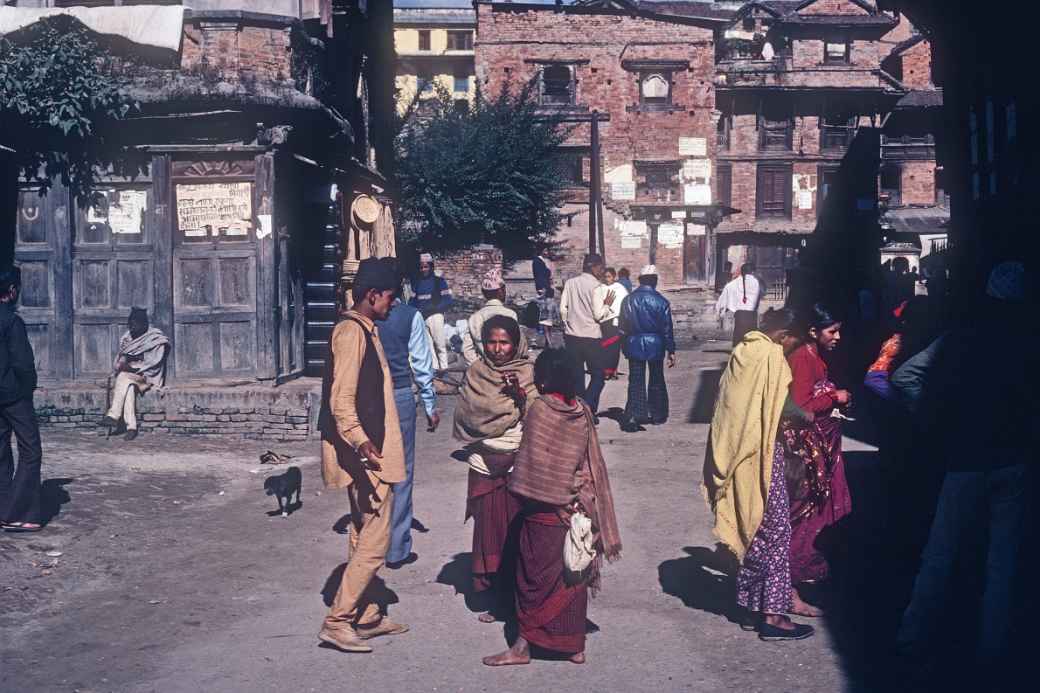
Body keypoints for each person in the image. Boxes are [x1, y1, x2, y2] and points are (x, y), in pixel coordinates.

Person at [892, 262, 1033, 690]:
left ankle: (912, 635)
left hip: (965, 458)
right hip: (1012, 459)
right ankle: (992, 650)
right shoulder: (1030, 345)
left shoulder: (960, 340)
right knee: (1002, 561)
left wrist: (934, 421)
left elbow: (903, 377)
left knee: (941, 552)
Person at [483, 348, 622, 667]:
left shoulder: (542, 411)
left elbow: (534, 464)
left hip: (545, 511)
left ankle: (522, 647)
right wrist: (573, 501)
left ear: (544, 378)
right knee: (572, 575)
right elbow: (586, 462)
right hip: (578, 507)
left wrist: (556, 502)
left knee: (533, 577)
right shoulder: (582, 409)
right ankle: (574, 646)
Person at [704, 308, 817, 640]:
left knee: (755, 529)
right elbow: (782, 406)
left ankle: (753, 607)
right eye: (792, 344)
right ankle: (774, 617)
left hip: (737, 452)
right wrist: (805, 415)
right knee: (777, 532)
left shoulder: (744, 349)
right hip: (762, 454)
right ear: (783, 336)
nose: (791, 350)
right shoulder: (770, 354)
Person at [318, 258, 409, 653]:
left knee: (361, 532)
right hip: (366, 454)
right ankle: (337, 621)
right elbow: (342, 401)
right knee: (376, 538)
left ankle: (367, 614)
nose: (392, 304)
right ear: (373, 296)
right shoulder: (351, 333)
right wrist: (360, 441)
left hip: (371, 447)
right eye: (389, 297)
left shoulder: (364, 329)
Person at [453, 315, 537, 622]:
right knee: (489, 531)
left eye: (504, 342)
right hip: (483, 464)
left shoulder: (527, 372)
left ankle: (516, 601)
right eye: (492, 342)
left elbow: (538, 417)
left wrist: (520, 397)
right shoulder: (476, 372)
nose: (498, 349)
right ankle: (494, 596)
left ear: (515, 344)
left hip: (518, 464)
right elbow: (467, 416)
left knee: (518, 532)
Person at [780, 304, 853, 598]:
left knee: (816, 504)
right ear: (813, 332)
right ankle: (794, 569)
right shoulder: (803, 359)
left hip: (821, 442)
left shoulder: (815, 358)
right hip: (807, 447)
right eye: (832, 332)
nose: (837, 337)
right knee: (805, 506)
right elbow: (802, 406)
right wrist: (834, 397)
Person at [374, 265, 440, 569]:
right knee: (402, 471)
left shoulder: (358, 315)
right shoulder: (410, 316)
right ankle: (397, 549)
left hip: (367, 398)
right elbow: (422, 365)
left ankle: (370, 542)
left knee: (372, 469)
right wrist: (429, 404)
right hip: (400, 395)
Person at [0, 267, 44, 533]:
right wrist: (28, 388)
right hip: (13, 395)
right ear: (12, 291)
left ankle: (3, 507)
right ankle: (19, 513)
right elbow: (23, 364)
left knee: (0, 451)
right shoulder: (11, 321)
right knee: (31, 451)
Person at [618, 265, 676, 431]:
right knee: (656, 380)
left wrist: (624, 345)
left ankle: (634, 415)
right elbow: (667, 329)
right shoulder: (661, 301)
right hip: (656, 344)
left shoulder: (628, 300)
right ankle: (657, 415)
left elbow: (622, 327)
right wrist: (671, 350)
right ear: (655, 281)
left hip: (634, 343)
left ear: (640, 280)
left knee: (636, 381)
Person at [98, 308, 169, 441]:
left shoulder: (154, 338)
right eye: (130, 324)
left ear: (144, 324)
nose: (132, 327)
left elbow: (153, 363)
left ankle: (113, 415)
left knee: (123, 377)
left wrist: (130, 368)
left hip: (146, 377)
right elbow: (120, 358)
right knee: (128, 387)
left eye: (135, 324)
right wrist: (122, 364)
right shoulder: (127, 337)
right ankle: (131, 427)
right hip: (130, 378)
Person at [559, 253, 613, 416]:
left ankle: (580, 409)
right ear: (594, 267)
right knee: (598, 375)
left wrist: (568, 323)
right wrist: (607, 306)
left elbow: (563, 309)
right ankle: (588, 408)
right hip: (591, 337)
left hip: (572, 336)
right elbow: (598, 315)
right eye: (601, 267)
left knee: (577, 376)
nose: (602, 271)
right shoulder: (597, 287)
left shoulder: (570, 283)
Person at [462, 267, 517, 365]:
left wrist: (478, 368)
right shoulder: (510, 315)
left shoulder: (474, 318)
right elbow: (517, 345)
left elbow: (467, 349)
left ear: (484, 293)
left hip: (484, 369)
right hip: (507, 368)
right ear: (501, 291)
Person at [409, 253, 453, 371]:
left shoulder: (439, 281)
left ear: (431, 267)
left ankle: (444, 368)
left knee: (440, 344)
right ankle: (434, 368)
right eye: (421, 267)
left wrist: (434, 308)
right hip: (422, 317)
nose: (423, 269)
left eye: (426, 267)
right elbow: (412, 301)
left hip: (435, 316)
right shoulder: (417, 283)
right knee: (428, 346)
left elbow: (447, 300)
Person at [716, 263, 762, 346]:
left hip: (740, 315)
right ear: (752, 272)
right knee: (752, 337)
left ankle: (738, 352)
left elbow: (724, 297)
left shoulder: (733, 284)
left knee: (739, 337)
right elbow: (763, 291)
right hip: (752, 315)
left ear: (742, 272)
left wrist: (721, 311)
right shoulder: (757, 282)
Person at [595, 267, 628, 379]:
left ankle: (614, 371)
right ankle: (605, 371)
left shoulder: (620, 289)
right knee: (604, 348)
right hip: (603, 321)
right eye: (605, 277)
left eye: (609, 276)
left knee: (614, 348)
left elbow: (624, 304)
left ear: (614, 277)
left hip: (616, 321)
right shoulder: (600, 288)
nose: (607, 279)